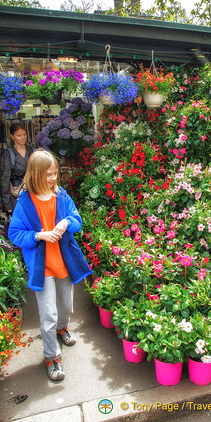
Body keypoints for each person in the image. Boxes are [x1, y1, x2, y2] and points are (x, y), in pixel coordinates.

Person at [8, 149, 92, 381]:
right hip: (42, 267)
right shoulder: (25, 203)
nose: (53, 178)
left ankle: (62, 327)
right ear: (35, 174)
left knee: (66, 307)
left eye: (54, 173)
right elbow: (15, 234)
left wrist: (66, 222)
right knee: (48, 316)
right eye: (48, 175)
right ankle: (52, 358)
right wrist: (39, 236)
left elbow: (76, 219)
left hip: (64, 263)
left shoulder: (61, 195)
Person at [0, 123, 34, 214]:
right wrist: (7, 204)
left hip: (34, 193)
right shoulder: (8, 154)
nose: (23, 137)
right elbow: (5, 180)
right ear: (12, 136)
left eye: (24, 134)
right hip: (16, 196)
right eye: (19, 135)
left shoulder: (32, 151)